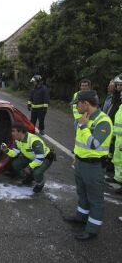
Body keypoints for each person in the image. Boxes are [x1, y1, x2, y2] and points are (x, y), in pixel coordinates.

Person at [64, 90, 113, 241]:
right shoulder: (84, 117)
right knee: (82, 193)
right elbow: (80, 143)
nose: (76, 107)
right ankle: (81, 217)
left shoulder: (103, 121)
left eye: (77, 104)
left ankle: (92, 229)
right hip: (81, 163)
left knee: (95, 199)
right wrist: (77, 157)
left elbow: (94, 144)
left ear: (85, 104)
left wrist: (84, 127)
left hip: (94, 166)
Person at [1, 122, 54, 193]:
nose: (11, 133)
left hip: (44, 158)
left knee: (37, 173)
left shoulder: (34, 141)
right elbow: (14, 153)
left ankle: (40, 184)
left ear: (20, 132)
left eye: (13, 131)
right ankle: (30, 177)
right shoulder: (18, 140)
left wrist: (29, 167)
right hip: (30, 157)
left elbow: (40, 158)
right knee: (16, 164)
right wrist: (6, 150)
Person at [110, 86, 122, 194]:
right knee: (118, 160)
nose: (121, 95)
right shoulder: (121, 106)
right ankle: (118, 178)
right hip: (118, 137)